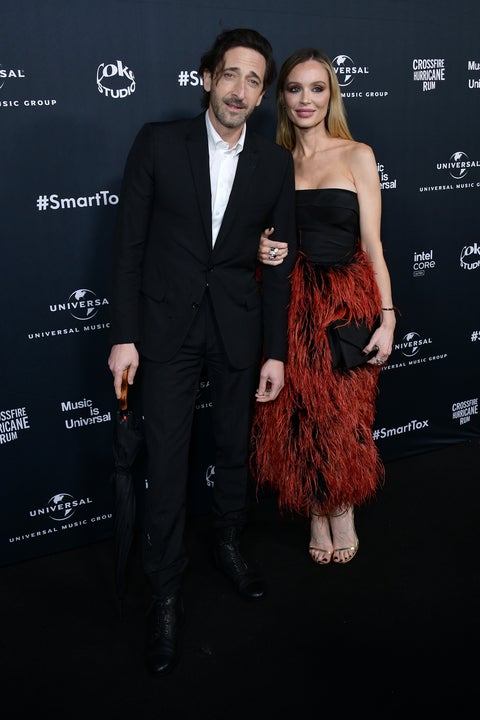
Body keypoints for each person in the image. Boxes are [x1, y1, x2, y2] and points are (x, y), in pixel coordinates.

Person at [107, 28, 297, 675]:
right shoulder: (159, 143)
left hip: (238, 327)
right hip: (165, 329)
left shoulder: (274, 163)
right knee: (166, 460)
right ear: (208, 78)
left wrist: (275, 351)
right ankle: (164, 592)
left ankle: (228, 543)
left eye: (254, 80)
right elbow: (128, 247)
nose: (240, 90)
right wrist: (124, 335)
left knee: (232, 448)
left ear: (262, 95)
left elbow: (278, 264)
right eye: (231, 75)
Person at [251, 48, 396, 566]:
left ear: (331, 95)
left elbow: (373, 244)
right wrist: (261, 248)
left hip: (344, 304)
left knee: (344, 413)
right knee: (298, 414)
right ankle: (316, 509)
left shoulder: (357, 154)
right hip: (289, 304)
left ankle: (343, 507)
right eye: (294, 89)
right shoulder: (272, 162)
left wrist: (388, 317)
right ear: (282, 98)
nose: (305, 99)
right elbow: (263, 237)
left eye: (317, 88)